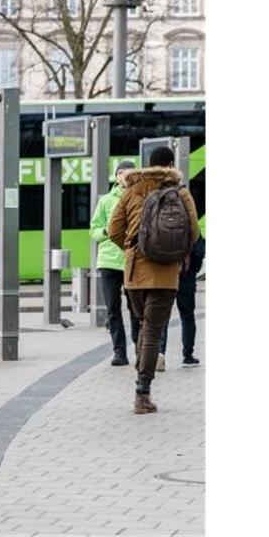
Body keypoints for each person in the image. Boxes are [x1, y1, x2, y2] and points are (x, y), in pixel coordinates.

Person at [108, 146, 199, 415]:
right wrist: (175, 254)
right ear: (170, 165)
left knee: (142, 326)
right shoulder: (180, 192)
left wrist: (130, 249)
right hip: (166, 273)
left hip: (134, 272)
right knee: (152, 332)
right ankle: (142, 393)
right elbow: (193, 232)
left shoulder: (131, 190)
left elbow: (114, 229)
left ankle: (141, 381)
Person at [89, 160, 140, 366]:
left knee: (135, 308)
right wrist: (105, 232)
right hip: (109, 261)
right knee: (113, 309)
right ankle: (119, 352)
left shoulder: (140, 197)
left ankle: (139, 347)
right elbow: (93, 230)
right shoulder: (106, 201)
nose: (124, 177)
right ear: (116, 176)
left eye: (128, 173)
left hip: (133, 261)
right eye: (121, 173)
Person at [157, 235, 205, 367]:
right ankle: (188, 356)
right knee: (187, 316)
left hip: (164, 273)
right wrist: (193, 269)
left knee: (162, 316)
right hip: (186, 273)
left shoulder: (160, 214)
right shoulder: (190, 215)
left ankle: (160, 353)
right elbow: (199, 248)